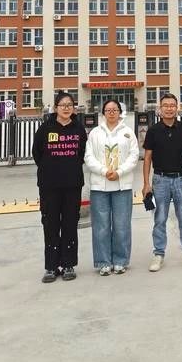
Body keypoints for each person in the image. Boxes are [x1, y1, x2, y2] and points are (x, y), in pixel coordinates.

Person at [142, 93, 182, 272]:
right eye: (165, 105)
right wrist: (146, 184)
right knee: (159, 219)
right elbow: (147, 158)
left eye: (172, 105)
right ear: (160, 109)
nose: (169, 108)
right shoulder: (153, 131)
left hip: (181, 179)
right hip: (160, 180)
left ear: (177, 108)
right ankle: (158, 254)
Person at [32, 91, 87, 283]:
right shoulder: (45, 128)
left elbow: (82, 153)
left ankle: (69, 264)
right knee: (51, 224)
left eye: (69, 105)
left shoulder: (78, 128)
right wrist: (51, 168)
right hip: (49, 186)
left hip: (72, 185)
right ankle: (51, 266)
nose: (66, 108)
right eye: (62, 105)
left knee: (70, 224)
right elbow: (37, 153)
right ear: (56, 107)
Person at [84, 99, 139, 275]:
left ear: (120, 112)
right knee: (101, 226)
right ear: (103, 113)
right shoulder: (95, 133)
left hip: (122, 185)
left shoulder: (128, 133)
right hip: (100, 185)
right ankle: (103, 262)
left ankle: (121, 260)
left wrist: (119, 172)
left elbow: (134, 155)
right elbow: (88, 156)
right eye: (108, 110)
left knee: (122, 224)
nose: (112, 112)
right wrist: (104, 171)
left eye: (115, 109)